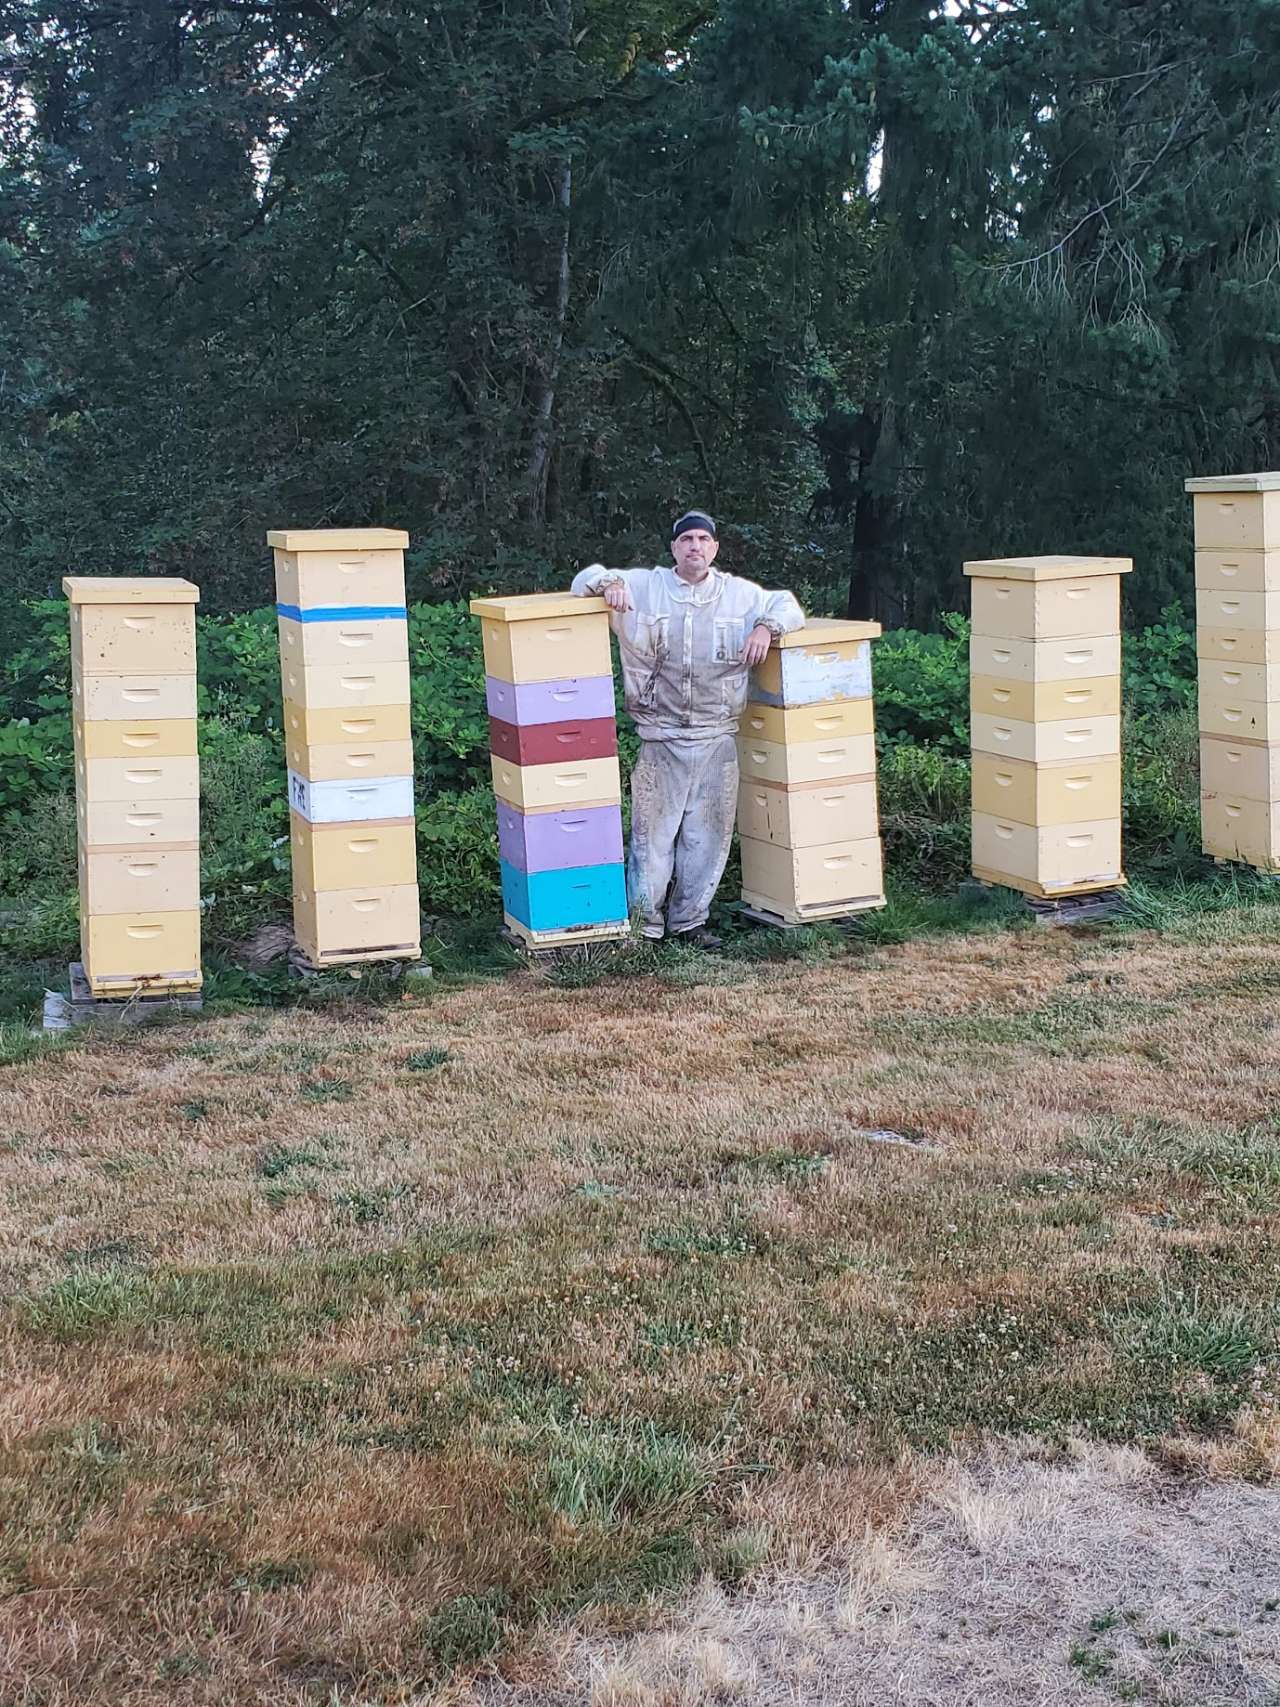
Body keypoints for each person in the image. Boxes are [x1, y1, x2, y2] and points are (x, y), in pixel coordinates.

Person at [571, 511, 804, 947]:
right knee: (651, 840)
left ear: (715, 548)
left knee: (707, 840)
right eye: (686, 540)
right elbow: (584, 577)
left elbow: (788, 606)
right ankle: (644, 929)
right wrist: (609, 585)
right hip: (660, 737)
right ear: (674, 548)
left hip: (717, 737)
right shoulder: (644, 586)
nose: (695, 546)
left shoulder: (741, 596)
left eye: (703, 539)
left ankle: (690, 924)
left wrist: (764, 627)